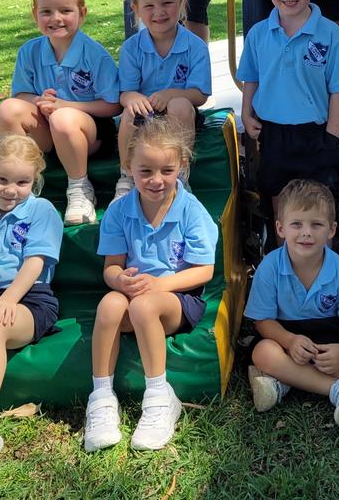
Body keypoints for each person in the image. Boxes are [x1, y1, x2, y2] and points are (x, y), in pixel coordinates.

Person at [83, 116, 218, 453]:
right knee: (109, 303)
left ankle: (159, 397)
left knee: (143, 305)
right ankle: (101, 398)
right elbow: (111, 269)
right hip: (135, 295)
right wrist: (119, 280)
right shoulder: (118, 212)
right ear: (128, 167)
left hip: (178, 298)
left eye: (167, 171)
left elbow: (203, 271)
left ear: (182, 165)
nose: (157, 181)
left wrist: (159, 286)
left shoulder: (191, 211)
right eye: (146, 172)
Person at [237, 0, 339, 219]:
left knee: (318, 208)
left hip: (317, 134)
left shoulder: (329, 34)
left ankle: (322, 261)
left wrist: (332, 134)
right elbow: (251, 78)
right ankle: (285, 262)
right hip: (273, 134)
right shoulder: (258, 34)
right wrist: (246, 113)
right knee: (283, 210)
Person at [245, 179, 339, 430]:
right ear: (280, 228)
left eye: (316, 224)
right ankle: (338, 390)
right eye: (296, 224)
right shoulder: (269, 267)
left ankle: (283, 381)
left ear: (331, 230)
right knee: (262, 351)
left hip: (329, 343)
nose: (306, 232)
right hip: (286, 339)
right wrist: (290, 341)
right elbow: (262, 321)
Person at [0, 0, 120, 226]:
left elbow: (114, 104)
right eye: (47, 11)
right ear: (35, 14)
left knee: (63, 118)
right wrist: (39, 100)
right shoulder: (29, 51)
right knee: (8, 109)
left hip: (89, 135)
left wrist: (66, 106)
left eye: (65, 10)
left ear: (82, 13)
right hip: (49, 129)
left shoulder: (94, 54)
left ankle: (79, 189)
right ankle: (18, 184)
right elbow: (21, 94)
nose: (56, 18)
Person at [0, 135, 63, 475]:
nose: (10, 190)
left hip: (28, 298)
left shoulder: (42, 211)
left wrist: (7, 299)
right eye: (1, 179)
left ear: (36, 180)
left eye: (22, 181)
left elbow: (34, 264)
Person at [116, 0, 211, 200]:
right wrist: (133, 97)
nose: (159, 12)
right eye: (148, 6)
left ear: (180, 3)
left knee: (180, 105)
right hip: (145, 114)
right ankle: (127, 175)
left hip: (179, 116)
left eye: (166, 3)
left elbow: (200, 94)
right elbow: (125, 93)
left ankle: (179, 173)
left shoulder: (195, 46)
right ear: (135, 9)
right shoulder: (131, 48)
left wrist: (171, 94)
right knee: (129, 113)